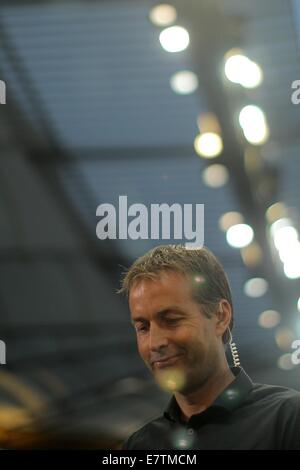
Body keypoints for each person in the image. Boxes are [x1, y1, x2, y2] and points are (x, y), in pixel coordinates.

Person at [118, 245, 300, 450]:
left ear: (220, 316)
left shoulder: (287, 419)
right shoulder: (137, 447)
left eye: (171, 320)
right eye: (143, 327)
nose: (155, 343)